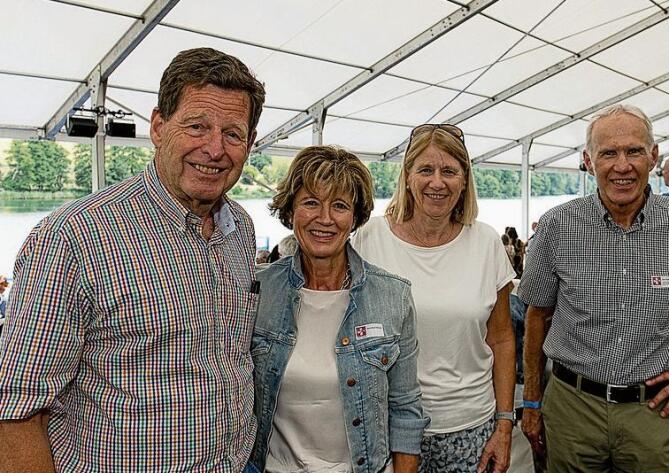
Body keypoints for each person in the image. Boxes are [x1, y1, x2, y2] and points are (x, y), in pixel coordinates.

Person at [0, 48, 265, 471]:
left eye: (232, 134)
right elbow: (17, 410)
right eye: (196, 126)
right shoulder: (73, 238)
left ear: (249, 143)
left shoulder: (240, 228)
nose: (215, 149)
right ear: (159, 127)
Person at [519, 104, 669, 472]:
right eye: (608, 153)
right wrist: (533, 402)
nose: (622, 165)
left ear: (653, 157)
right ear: (588, 161)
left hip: (654, 413)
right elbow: (538, 315)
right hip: (572, 409)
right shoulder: (557, 226)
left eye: (633, 151)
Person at [247, 146, 427, 473]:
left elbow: (406, 409)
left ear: (355, 218)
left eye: (340, 206)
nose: (325, 218)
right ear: (290, 211)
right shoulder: (258, 292)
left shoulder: (391, 296)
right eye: (311, 202)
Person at [352, 124, 516, 473]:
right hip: (388, 426)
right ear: (407, 175)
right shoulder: (369, 239)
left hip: (470, 427)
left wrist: (504, 425)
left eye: (449, 171)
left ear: (464, 179)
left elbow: (501, 338)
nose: (437, 182)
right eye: (425, 169)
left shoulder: (485, 242)